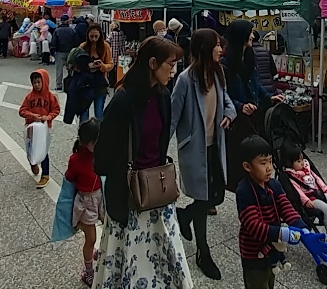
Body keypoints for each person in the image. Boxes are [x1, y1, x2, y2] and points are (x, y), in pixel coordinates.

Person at [92, 37, 192, 288]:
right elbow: (101, 158)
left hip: (157, 194)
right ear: (152, 63)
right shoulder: (123, 100)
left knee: (162, 261)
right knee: (127, 264)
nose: (173, 70)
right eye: (170, 64)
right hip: (128, 198)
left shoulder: (163, 95)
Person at [172, 29, 236, 280]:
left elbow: (227, 101)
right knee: (203, 197)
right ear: (204, 48)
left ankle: (184, 215)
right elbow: (173, 114)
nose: (221, 49)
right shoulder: (186, 79)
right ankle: (202, 251)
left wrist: (229, 114)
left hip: (215, 145)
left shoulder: (219, 73)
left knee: (217, 193)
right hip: (194, 147)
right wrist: (155, 153)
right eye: (217, 45)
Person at [236, 135, 315, 289]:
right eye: (263, 163)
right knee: (258, 283)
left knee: (270, 279)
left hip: (272, 248)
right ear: (247, 166)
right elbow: (253, 226)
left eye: (271, 161)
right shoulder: (244, 191)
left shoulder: (274, 185)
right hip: (254, 253)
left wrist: (302, 228)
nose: (269, 167)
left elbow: (285, 207)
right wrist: (284, 233)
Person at [223, 20, 284, 191]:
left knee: (256, 154)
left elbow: (256, 85)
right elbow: (222, 94)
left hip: (255, 113)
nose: (252, 36)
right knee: (243, 158)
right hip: (237, 119)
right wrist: (239, 106)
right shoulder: (225, 63)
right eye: (250, 32)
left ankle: (256, 190)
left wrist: (271, 97)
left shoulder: (251, 56)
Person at [65, 119, 103, 287]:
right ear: (86, 142)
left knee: (108, 228)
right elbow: (69, 177)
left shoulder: (99, 154)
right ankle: (87, 271)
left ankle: (98, 253)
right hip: (85, 202)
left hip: (100, 198)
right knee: (91, 238)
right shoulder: (76, 159)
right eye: (96, 142)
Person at [19, 69, 61, 189]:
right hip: (31, 129)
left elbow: (56, 109)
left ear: (44, 81)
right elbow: (22, 110)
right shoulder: (30, 97)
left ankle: (45, 175)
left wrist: (48, 117)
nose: (36, 85)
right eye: (34, 82)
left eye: (38, 82)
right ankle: (33, 162)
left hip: (43, 130)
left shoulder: (50, 97)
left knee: (43, 152)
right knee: (30, 150)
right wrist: (32, 116)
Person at [79, 24, 113, 121]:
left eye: (96, 37)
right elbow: (76, 63)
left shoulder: (105, 46)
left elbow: (110, 64)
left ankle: (98, 134)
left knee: (99, 114)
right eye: (91, 36)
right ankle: (83, 134)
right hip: (85, 84)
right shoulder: (83, 46)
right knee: (83, 113)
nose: (93, 39)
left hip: (100, 84)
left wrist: (102, 66)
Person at [51, 15, 77, 90]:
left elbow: (54, 42)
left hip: (59, 52)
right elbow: (75, 41)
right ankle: (71, 84)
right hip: (70, 52)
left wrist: (52, 51)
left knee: (59, 70)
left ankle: (59, 85)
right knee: (71, 69)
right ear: (67, 21)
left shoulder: (57, 30)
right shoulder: (72, 30)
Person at [251, 30, 278, 97]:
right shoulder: (266, 51)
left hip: (257, 90)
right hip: (269, 87)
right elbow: (274, 71)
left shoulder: (248, 53)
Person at [106, 22, 126, 89]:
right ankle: (119, 82)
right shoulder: (121, 33)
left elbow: (108, 41)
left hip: (113, 53)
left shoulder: (111, 34)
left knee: (111, 69)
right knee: (119, 69)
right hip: (120, 53)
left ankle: (112, 83)